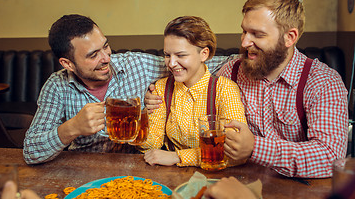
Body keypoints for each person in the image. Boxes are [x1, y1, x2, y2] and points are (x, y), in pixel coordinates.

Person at [145, 0, 349, 178]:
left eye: (257, 34)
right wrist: (153, 98)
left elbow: (331, 157)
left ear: (290, 37)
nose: (244, 42)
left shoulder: (323, 82)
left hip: (297, 188)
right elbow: (196, 73)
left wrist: (254, 148)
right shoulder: (231, 71)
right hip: (240, 183)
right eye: (244, 31)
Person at [23, 14, 233, 165]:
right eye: (93, 55)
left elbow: (198, 64)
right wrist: (72, 129)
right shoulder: (57, 87)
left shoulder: (136, 65)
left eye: (105, 46)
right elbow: (31, 152)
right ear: (67, 64)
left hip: (135, 165)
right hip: (83, 170)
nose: (106, 58)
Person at [140, 16, 247, 167]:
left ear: (204, 54)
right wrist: (131, 129)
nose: (171, 63)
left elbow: (234, 150)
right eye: (167, 55)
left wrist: (177, 157)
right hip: (171, 175)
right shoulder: (161, 87)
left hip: (216, 174)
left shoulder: (225, 89)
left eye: (181, 55)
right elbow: (153, 143)